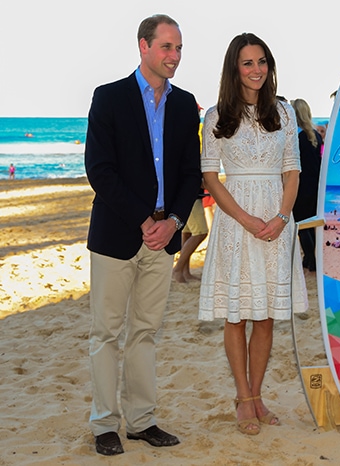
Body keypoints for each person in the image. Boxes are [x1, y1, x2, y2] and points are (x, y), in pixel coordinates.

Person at [84, 14, 201, 455]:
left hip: (164, 236)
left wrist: (171, 221)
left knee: (146, 332)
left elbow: (191, 174)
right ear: (143, 46)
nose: (174, 56)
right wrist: (142, 219)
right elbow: (100, 170)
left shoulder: (185, 103)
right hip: (118, 234)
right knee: (106, 333)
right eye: (167, 47)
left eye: (179, 48)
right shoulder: (109, 98)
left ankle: (141, 421)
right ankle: (104, 425)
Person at [198, 32, 308, 436]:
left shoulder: (283, 111)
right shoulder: (215, 116)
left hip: (277, 219)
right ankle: (244, 397)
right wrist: (245, 219)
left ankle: (257, 394)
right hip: (234, 219)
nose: (257, 69)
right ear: (234, 68)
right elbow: (211, 175)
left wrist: (282, 216)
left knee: (265, 315)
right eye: (248, 63)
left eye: (262, 61)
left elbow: (293, 171)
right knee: (237, 311)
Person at [291, 98, 323, 271]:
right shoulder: (315, 134)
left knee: (302, 225)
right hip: (316, 184)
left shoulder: (297, 136)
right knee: (312, 224)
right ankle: (313, 258)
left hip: (302, 186)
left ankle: (310, 259)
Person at [172, 190, 209, 282]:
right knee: (200, 232)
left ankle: (185, 271)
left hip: (186, 196)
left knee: (187, 233)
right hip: (191, 196)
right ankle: (178, 269)